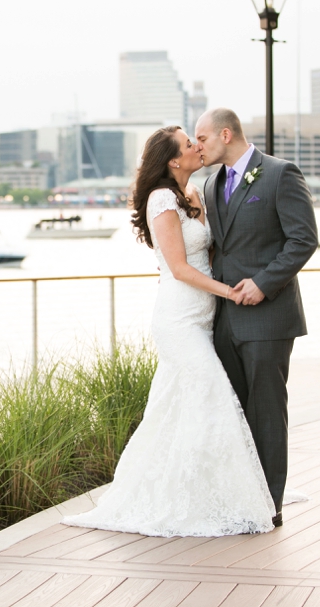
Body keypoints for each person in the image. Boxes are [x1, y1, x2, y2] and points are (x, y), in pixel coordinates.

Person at [62, 126, 276, 536]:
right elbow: (178, 268)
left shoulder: (195, 194)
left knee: (178, 406)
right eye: (189, 143)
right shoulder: (161, 198)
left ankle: (198, 487)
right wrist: (230, 292)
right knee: (212, 391)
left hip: (204, 316)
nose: (198, 146)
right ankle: (192, 498)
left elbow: (212, 250)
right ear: (174, 160)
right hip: (178, 320)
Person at [195, 108, 319, 528]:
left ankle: (268, 507)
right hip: (224, 320)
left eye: (203, 138)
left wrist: (264, 283)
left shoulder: (280, 174)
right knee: (233, 415)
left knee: (266, 414)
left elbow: (304, 240)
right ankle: (239, 500)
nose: (198, 146)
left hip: (269, 318)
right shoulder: (211, 185)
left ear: (225, 134)